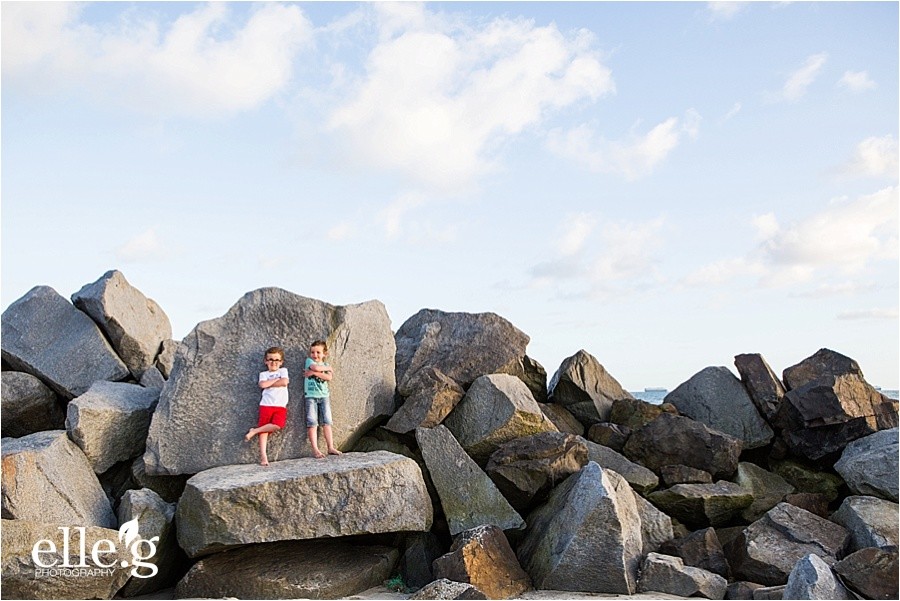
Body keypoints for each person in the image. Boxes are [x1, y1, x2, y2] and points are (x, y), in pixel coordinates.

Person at [244, 347, 289, 466]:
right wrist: (276, 381)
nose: (273, 362)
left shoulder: (283, 371)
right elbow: (262, 385)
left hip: (280, 405)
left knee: (278, 425)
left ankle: (254, 431)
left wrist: (270, 383)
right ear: (265, 361)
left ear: (281, 362)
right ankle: (264, 457)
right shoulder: (263, 374)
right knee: (264, 432)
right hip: (266, 405)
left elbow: (284, 382)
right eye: (270, 359)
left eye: (276, 360)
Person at [304, 339, 342, 459]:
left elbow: (329, 377)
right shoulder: (309, 361)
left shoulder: (326, 365)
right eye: (313, 352)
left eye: (318, 352)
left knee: (327, 422)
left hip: (324, 396)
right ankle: (315, 449)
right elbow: (314, 367)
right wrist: (323, 370)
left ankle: (330, 447)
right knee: (312, 422)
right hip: (310, 396)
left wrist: (314, 373)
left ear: (325, 354)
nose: (315, 355)